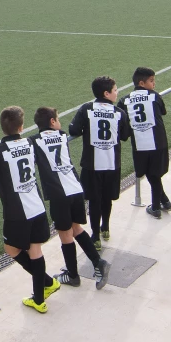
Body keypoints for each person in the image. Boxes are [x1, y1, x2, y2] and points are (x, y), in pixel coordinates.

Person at [0, 106, 60, 314]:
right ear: (21, 126)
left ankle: (42, 289)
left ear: (2, 128)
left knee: (11, 249)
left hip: (18, 214)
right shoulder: (29, 142)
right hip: (36, 206)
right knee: (35, 250)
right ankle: (42, 292)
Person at [30, 107, 110, 289]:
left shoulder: (34, 141)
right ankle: (98, 263)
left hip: (59, 194)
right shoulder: (63, 135)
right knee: (76, 228)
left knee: (65, 234)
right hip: (75, 188)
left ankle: (73, 275)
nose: (60, 122)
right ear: (52, 122)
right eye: (57, 119)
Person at [68, 76, 132, 250]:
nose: (117, 92)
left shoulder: (86, 109)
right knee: (107, 198)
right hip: (112, 164)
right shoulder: (120, 112)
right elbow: (126, 135)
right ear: (107, 93)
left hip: (91, 165)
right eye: (115, 90)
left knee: (94, 200)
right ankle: (106, 228)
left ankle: (95, 235)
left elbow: (73, 129)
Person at [118, 68, 171, 219]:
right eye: (151, 81)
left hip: (140, 144)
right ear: (141, 83)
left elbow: (122, 122)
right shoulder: (154, 96)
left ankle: (161, 203)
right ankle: (159, 205)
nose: (154, 84)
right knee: (154, 174)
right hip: (158, 141)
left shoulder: (124, 100)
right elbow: (163, 111)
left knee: (151, 174)